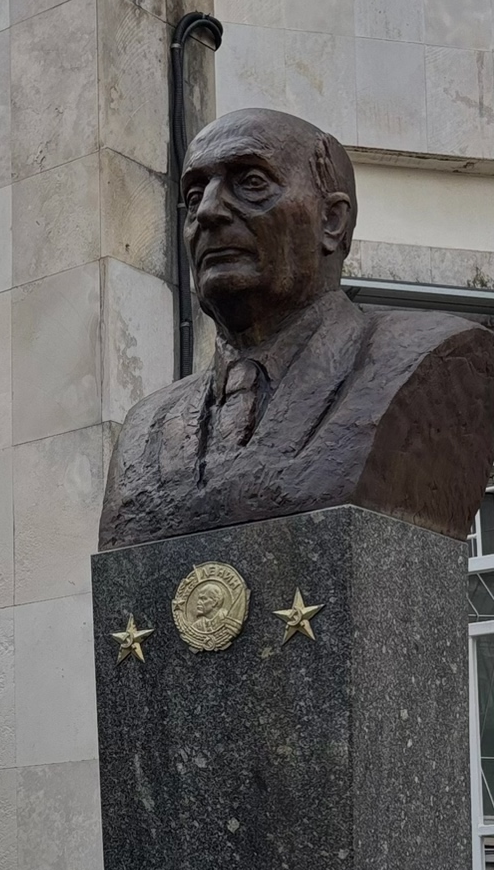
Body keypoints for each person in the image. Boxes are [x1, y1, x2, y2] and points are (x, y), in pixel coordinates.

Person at [99, 107, 494, 549]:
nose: (207, 211)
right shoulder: (145, 430)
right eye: (193, 196)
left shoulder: (439, 364)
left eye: (251, 183)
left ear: (332, 221)